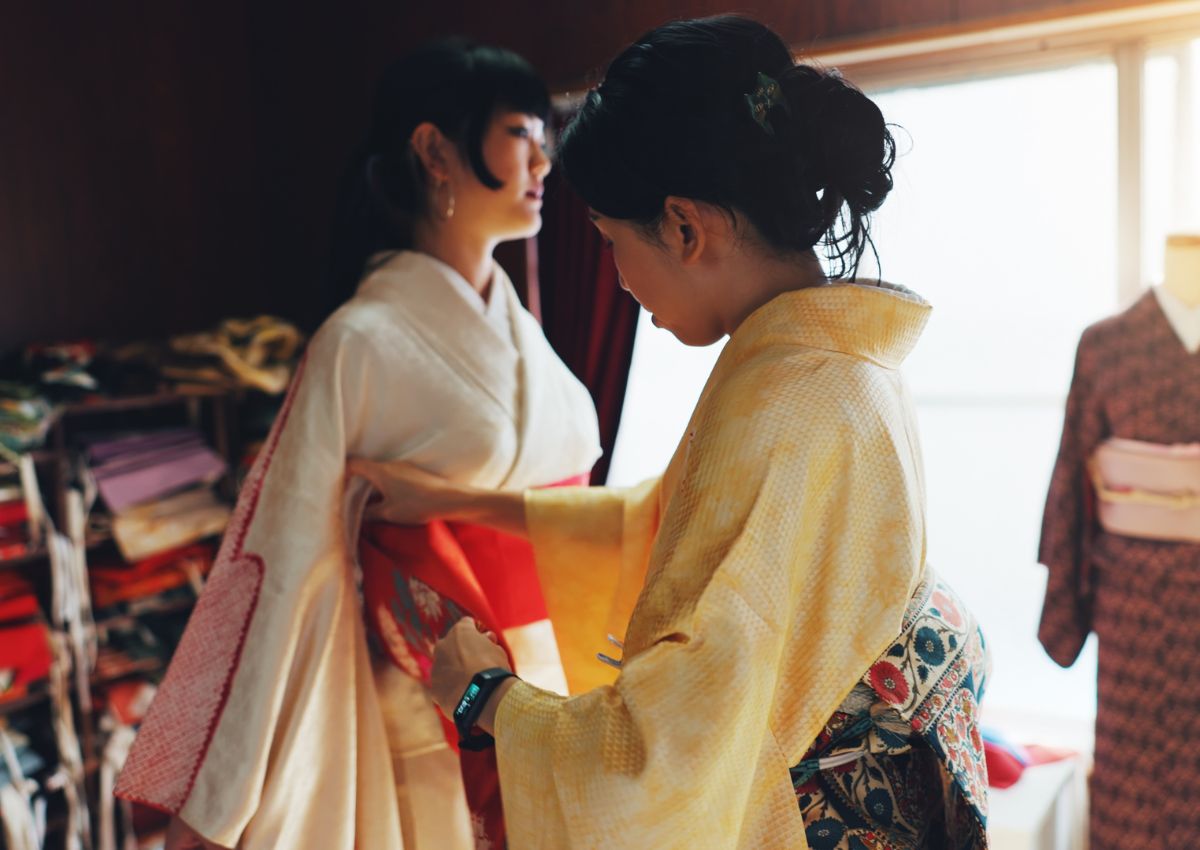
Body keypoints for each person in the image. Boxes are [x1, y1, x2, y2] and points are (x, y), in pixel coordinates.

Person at [352, 16, 991, 850]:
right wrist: (454, 500)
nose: (618, 277)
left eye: (611, 240)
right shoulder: (837, 362)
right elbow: (660, 523)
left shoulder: (781, 404)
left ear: (685, 228)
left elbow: (661, 760)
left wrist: (487, 697)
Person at [114, 39, 601, 850]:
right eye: (521, 134)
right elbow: (288, 560)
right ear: (434, 151)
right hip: (425, 699)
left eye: (544, 139)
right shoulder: (360, 340)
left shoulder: (523, 336)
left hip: (556, 681)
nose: (543, 163)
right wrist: (230, 784)